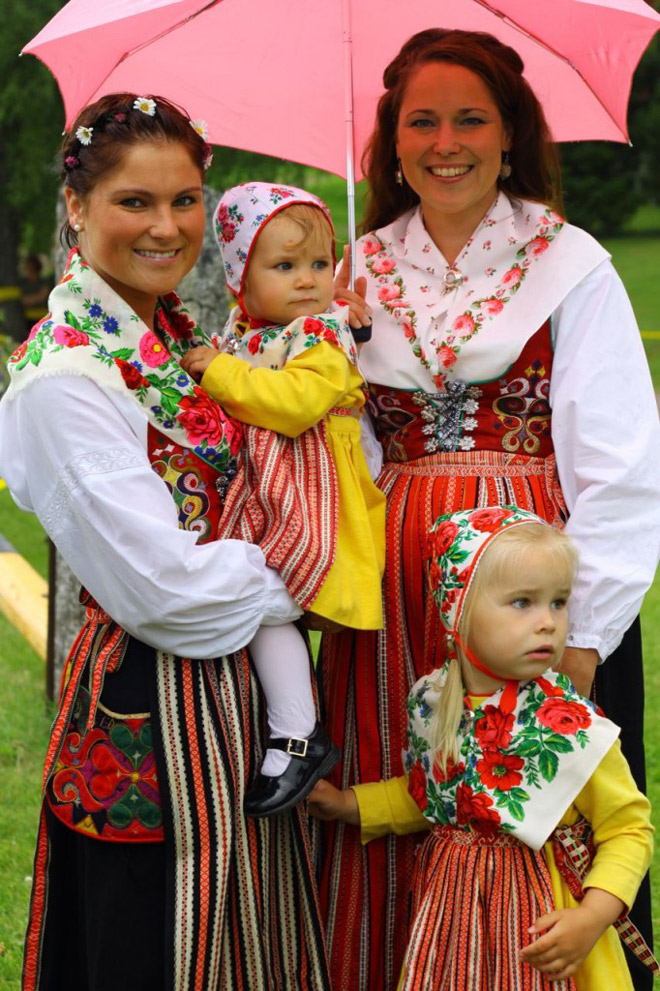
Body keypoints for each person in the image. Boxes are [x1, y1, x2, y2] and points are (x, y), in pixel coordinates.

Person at [319, 28, 660, 991]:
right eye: (420, 120)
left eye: (471, 117)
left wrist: (585, 633)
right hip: (393, 594)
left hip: (528, 585)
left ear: (511, 133)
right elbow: (345, 445)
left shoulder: (569, 260)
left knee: (541, 827)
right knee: (407, 793)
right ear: (392, 141)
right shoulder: (356, 271)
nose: (445, 140)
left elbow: (622, 463)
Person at [0, 94, 332, 990]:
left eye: (185, 200)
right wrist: (305, 571)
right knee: (151, 942)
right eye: (134, 202)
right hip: (151, 700)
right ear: (76, 206)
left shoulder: (172, 331)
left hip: (238, 700)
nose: (167, 226)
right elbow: (165, 591)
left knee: (251, 939)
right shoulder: (65, 374)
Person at [311, 506, 656, 990]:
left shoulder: (570, 725)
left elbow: (628, 830)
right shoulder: (433, 703)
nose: (548, 623)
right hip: (453, 920)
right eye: (522, 603)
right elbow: (429, 796)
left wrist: (592, 916)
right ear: (459, 610)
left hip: (542, 919)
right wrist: (350, 804)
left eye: (558, 603)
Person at [180, 182, 385, 817]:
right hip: (266, 494)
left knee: (275, 600)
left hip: (314, 498)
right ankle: (286, 727)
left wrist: (212, 369)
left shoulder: (321, 336)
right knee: (263, 604)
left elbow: (294, 406)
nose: (308, 281)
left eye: (320, 265)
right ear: (242, 276)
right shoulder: (244, 332)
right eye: (285, 265)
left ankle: (297, 733)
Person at [19, 254, 52, 338]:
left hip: (41, 318)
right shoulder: (23, 283)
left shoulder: (43, 282)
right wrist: (34, 298)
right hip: (27, 319)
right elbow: (23, 300)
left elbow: (41, 297)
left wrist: (31, 299)